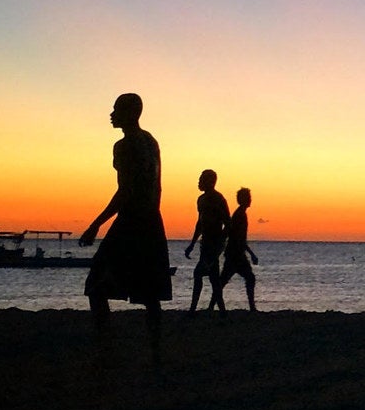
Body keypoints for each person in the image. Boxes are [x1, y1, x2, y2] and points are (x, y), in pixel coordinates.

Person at [80, 93, 172, 358]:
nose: (111, 113)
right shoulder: (151, 141)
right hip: (152, 222)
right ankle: (156, 351)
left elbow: (125, 191)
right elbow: (156, 187)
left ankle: (105, 348)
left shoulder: (125, 146)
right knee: (150, 293)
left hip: (132, 222)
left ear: (130, 113)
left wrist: (96, 224)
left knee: (96, 284)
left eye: (116, 109)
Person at [183, 169, 230, 313]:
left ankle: (192, 310)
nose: (199, 182)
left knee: (199, 274)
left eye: (202, 179)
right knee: (214, 279)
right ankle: (222, 311)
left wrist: (219, 244)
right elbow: (200, 223)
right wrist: (192, 244)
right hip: (205, 244)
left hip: (213, 244)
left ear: (210, 181)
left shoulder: (218, 199)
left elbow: (228, 223)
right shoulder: (201, 200)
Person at [219, 187, 260, 312]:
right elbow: (238, 236)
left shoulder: (240, 214)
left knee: (223, 281)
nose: (250, 200)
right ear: (242, 200)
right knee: (249, 278)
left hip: (235, 252)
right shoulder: (240, 215)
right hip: (235, 253)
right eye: (248, 198)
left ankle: (211, 306)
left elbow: (237, 236)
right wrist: (251, 254)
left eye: (249, 197)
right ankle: (252, 307)